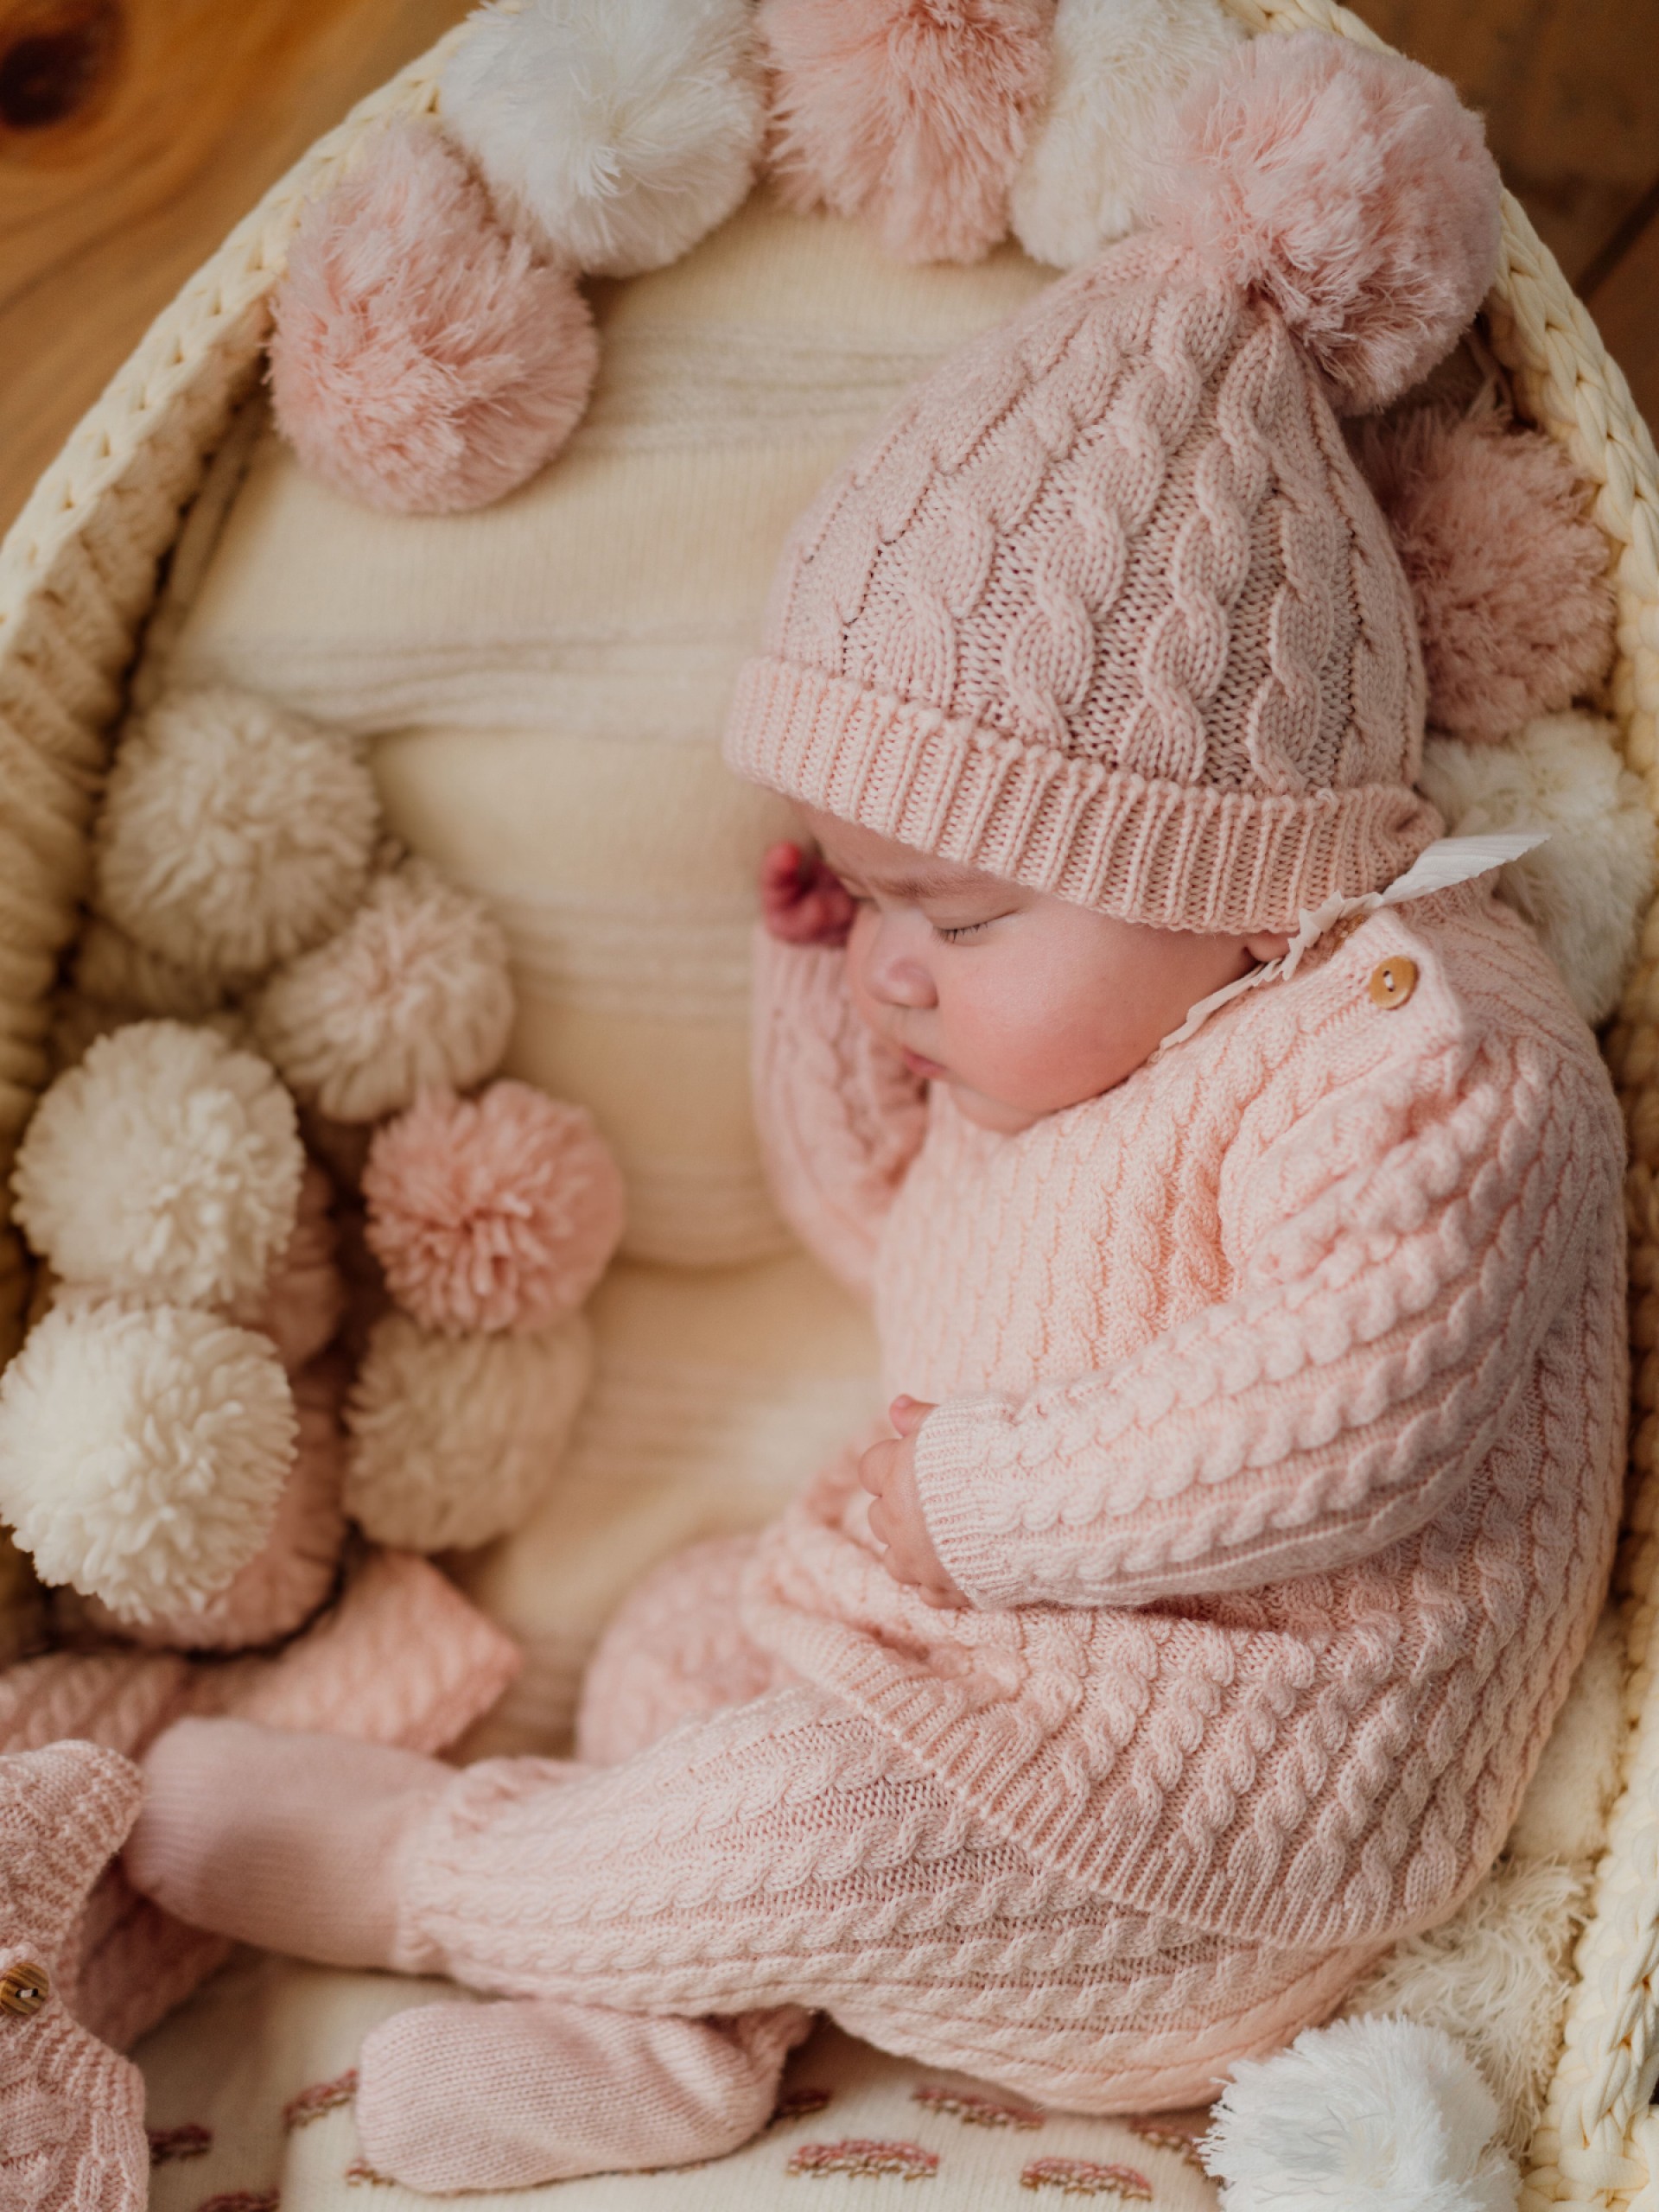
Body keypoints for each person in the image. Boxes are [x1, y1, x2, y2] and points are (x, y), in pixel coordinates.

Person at [124, 31, 1626, 2193]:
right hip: (964, 1673)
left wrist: (976, 1515)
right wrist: (832, 966)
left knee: (811, 1811)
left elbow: (1343, 1411)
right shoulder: (1085, 1044)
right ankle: (668, 2037)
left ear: (1220, 852)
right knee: (677, 1651)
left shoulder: (1417, 1043)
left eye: (957, 904)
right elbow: (881, 1227)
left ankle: (420, 1879)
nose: (905, 956)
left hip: (1224, 1829)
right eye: (878, 891)